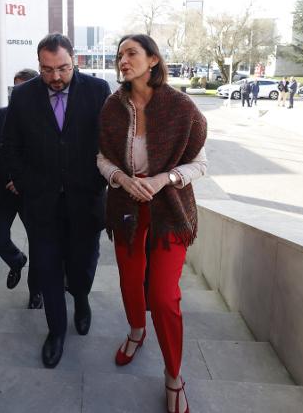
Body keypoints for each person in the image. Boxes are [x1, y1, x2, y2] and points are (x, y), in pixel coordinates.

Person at [97, 34, 207, 413]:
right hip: (126, 206)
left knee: (162, 295)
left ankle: (174, 376)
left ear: (153, 60)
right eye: (119, 55)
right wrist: (122, 180)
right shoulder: (113, 107)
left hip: (170, 209)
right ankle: (136, 331)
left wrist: (162, 180)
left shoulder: (181, 107)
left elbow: (200, 164)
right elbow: (103, 158)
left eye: (131, 53)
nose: (123, 60)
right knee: (129, 278)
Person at [2, 33, 111, 368]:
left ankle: (81, 298)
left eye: (62, 68)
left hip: (86, 199)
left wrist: (98, 182)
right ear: (39, 65)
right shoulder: (22, 96)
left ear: (74, 60)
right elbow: (11, 147)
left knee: (82, 264)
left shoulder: (98, 91)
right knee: (47, 269)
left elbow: (108, 142)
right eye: (47, 70)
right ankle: (56, 331)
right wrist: (24, 184)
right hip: (41, 204)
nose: (56, 77)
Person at [0, 68, 43, 309]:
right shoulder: (4, 113)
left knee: (39, 243)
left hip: (33, 191)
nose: (16, 93)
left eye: (22, 88)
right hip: (3, 188)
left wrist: (25, 179)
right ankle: (17, 261)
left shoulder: (48, 116)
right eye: (14, 88)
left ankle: (36, 291)